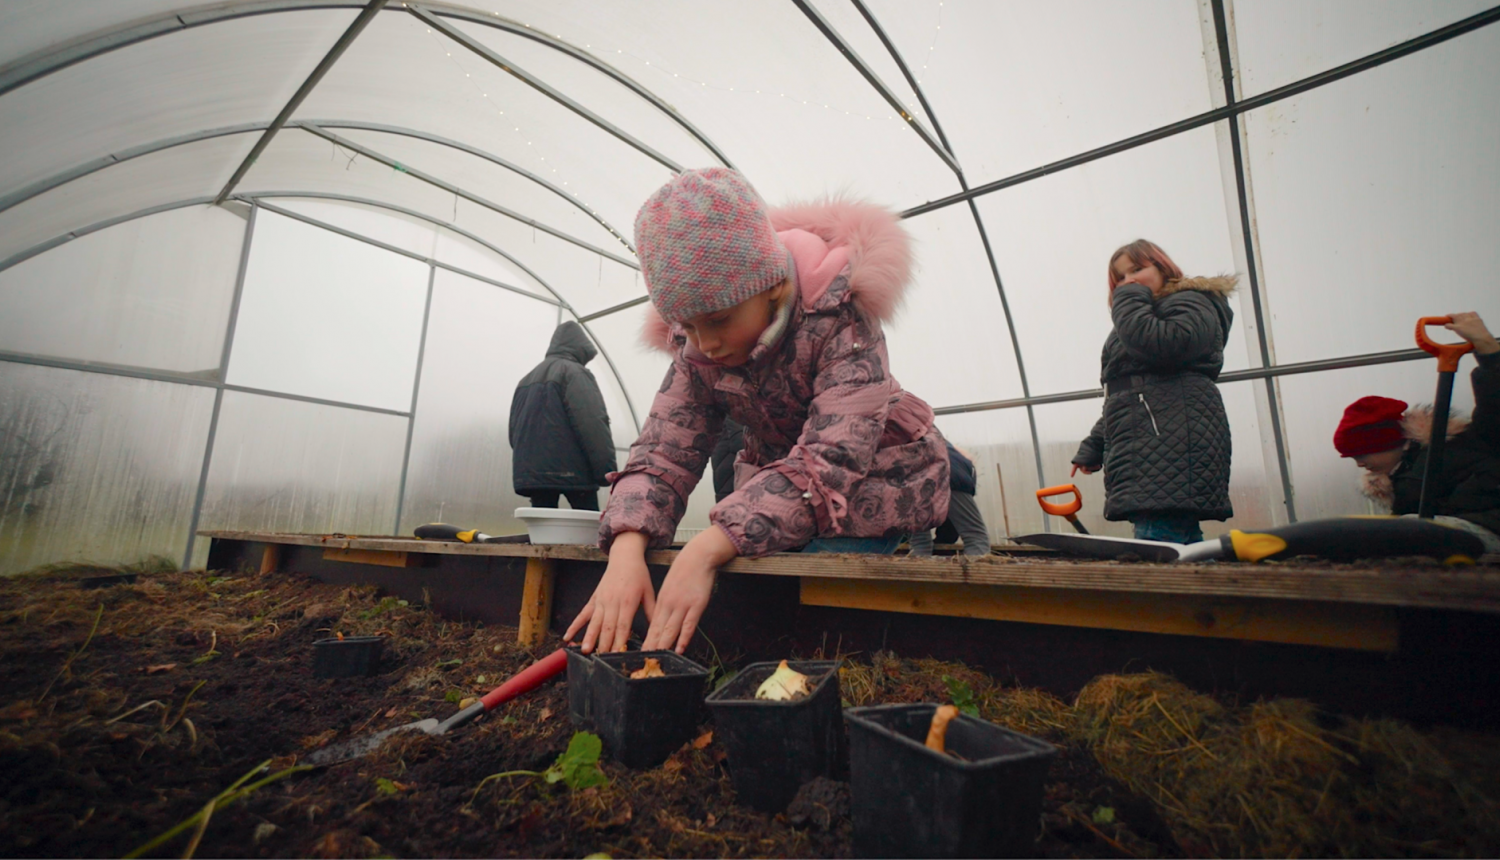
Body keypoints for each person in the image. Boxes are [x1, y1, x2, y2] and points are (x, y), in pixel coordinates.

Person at [566, 168, 950, 654]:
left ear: (771, 285)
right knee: (754, 570)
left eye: (719, 319)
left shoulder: (842, 321)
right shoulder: (698, 348)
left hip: (875, 484)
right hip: (785, 491)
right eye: (687, 324)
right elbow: (665, 450)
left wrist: (708, 546)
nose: (704, 344)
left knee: (807, 599)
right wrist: (625, 547)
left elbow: (830, 460)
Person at [1071, 239, 1236, 543]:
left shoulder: (1191, 301)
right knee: (1174, 536)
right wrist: (1095, 443)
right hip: (1154, 437)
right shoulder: (1148, 314)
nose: (1128, 281)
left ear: (1162, 267)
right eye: (1119, 278)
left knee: (1159, 539)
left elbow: (1163, 346)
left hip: (1171, 439)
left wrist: (1129, 299)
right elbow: (1129, 391)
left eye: (1136, 269)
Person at [1333, 311, 1500, 553]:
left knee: (1408, 530)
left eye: (1361, 454)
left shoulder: (1461, 444)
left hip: (1490, 527)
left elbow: (1495, 407)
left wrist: (1487, 349)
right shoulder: (1398, 483)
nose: (1359, 464)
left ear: (1388, 442)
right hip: (1455, 544)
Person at [509, 321, 616, 511]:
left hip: (534, 476)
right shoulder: (574, 372)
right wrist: (606, 471)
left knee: (543, 532)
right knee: (587, 531)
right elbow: (592, 423)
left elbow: (514, 432)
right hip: (573, 471)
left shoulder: (525, 380)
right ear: (580, 349)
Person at [909, 441, 991, 556]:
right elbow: (952, 528)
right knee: (975, 537)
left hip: (911, 478)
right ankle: (978, 570)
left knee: (920, 543)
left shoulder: (925, 437)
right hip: (948, 475)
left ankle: (919, 571)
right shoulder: (960, 466)